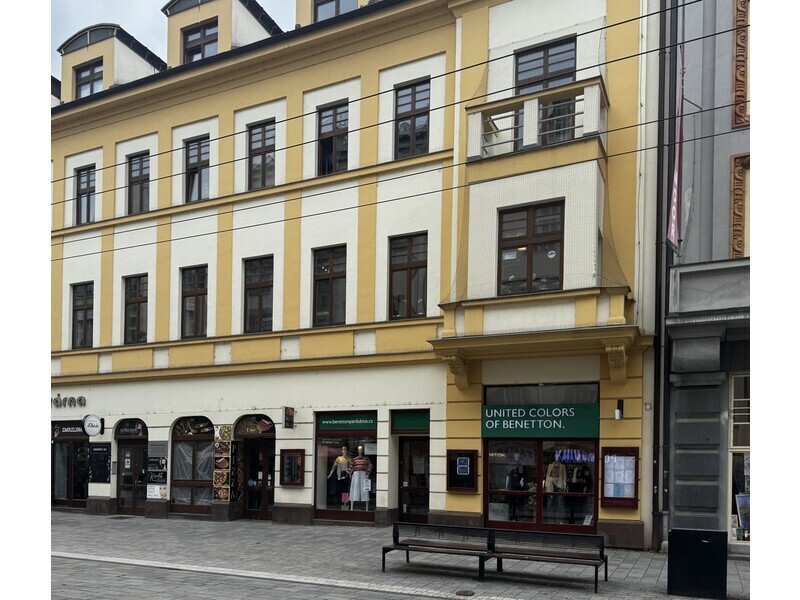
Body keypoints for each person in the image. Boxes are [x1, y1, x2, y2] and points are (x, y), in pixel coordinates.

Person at [347, 445, 373, 510]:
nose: (360, 451)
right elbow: (350, 467)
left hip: (363, 474)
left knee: (364, 489)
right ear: (358, 450)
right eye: (359, 450)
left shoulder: (366, 459)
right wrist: (349, 473)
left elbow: (370, 465)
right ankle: (352, 507)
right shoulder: (354, 459)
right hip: (356, 474)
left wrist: (368, 472)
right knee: (355, 489)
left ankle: (366, 508)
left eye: (361, 450)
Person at [505, 453, 527, 521]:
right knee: (512, 502)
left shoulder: (522, 465)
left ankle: (520, 517)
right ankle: (513, 516)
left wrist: (522, 479)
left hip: (519, 486)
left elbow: (525, 475)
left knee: (520, 502)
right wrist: (506, 486)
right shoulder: (510, 465)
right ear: (514, 456)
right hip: (512, 486)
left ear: (519, 456)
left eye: (518, 456)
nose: (517, 457)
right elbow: (508, 476)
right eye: (515, 456)